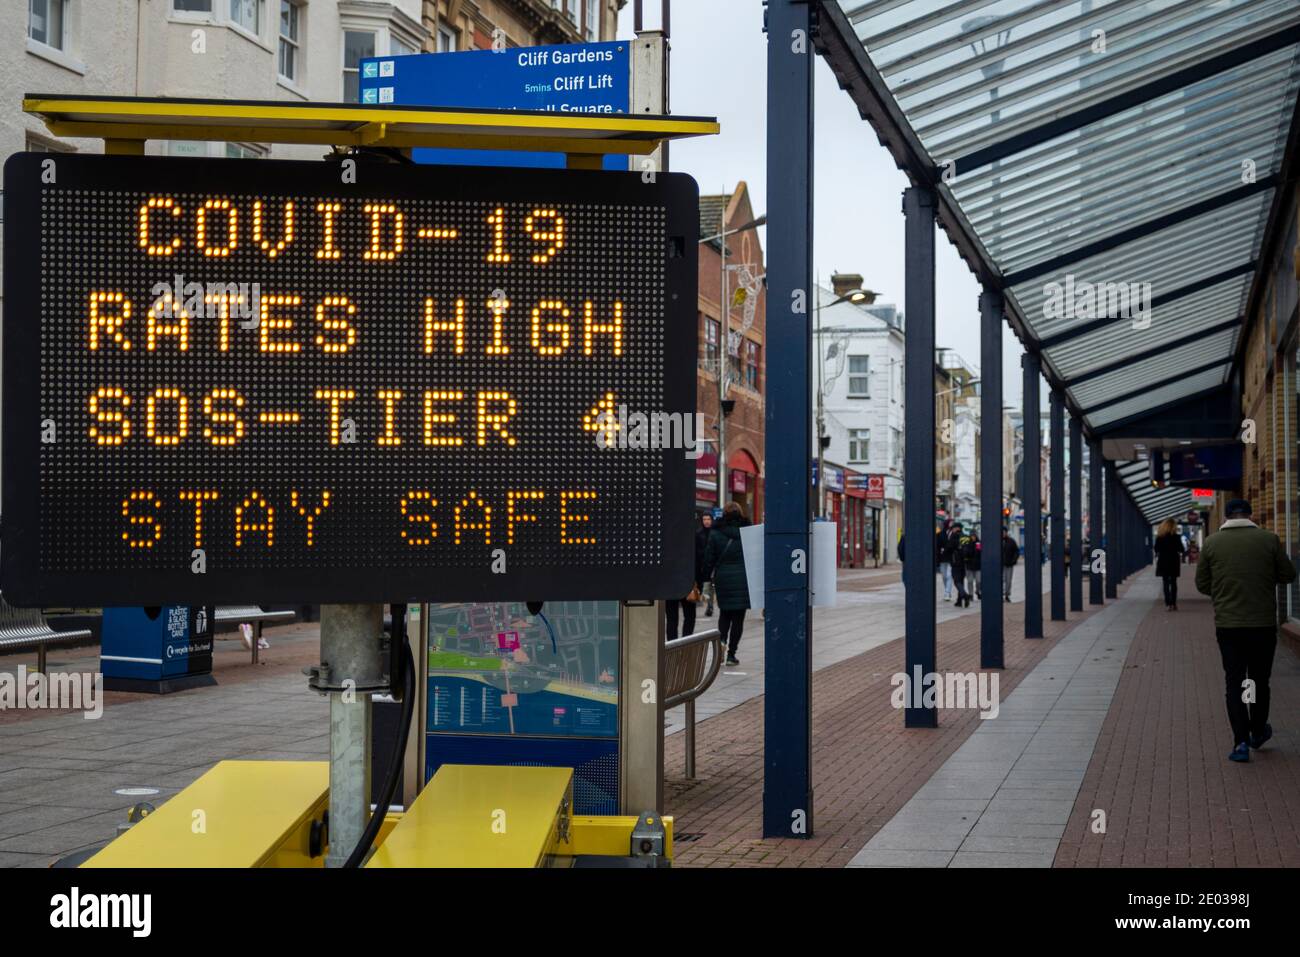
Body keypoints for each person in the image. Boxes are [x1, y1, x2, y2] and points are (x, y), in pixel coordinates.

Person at [1194, 498, 1296, 763]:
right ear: (1250, 515)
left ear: (1227, 517)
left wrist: (1223, 592)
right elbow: (1288, 575)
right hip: (1262, 625)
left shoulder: (1213, 543)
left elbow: (1202, 584)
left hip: (1229, 626)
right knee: (1259, 681)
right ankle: (1258, 731)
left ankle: (1240, 742)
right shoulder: (1269, 540)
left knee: (1235, 682)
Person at [703, 501, 751, 667]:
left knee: (725, 614)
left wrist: (705, 577)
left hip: (723, 577)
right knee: (738, 618)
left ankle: (721, 643)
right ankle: (732, 654)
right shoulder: (747, 533)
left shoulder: (715, 533)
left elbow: (709, 559)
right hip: (743, 578)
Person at [1153, 517, 1186, 611]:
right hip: (1173, 561)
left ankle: (1168, 603)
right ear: (1173, 527)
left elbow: (1156, 549)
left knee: (1165, 582)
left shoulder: (1160, 537)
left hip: (1163, 561)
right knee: (1174, 582)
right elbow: (1181, 549)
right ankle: (1174, 603)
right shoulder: (1176, 537)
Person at [697, 513, 716, 616]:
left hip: (713, 564)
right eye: (704, 519)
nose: (706, 521)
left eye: (708, 519)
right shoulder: (698, 533)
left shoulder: (715, 532)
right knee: (706, 586)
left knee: (710, 586)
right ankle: (708, 604)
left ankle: (710, 606)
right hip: (703, 565)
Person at [936, 519, 956, 601]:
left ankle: (947, 593)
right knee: (944, 576)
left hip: (952, 557)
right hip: (942, 558)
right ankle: (947, 590)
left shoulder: (955, 534)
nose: (952, 524)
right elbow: (937, 546)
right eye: (951, 523)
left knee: (949, 575)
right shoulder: (940, 534)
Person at [1001, 527, 1020, 602]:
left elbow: (1016, 551)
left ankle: (1007, 594)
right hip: (1001, 565)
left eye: (1004, 532)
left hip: (1009, 564)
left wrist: (1014, 560)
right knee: (1002, 580)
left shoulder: (1011, 541)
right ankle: (1001, 594)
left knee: (1008, 580)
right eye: (1002, 532)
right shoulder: (998, 541)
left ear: (1006, 532)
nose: (1003, 533)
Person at [964, 529, 982, 600]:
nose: (973, 537)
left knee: (978, 581)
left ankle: (978, 591)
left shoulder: (979, 543)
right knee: (970, 581)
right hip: (969, 565)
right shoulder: (967, 543)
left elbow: (981, 554)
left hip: (978, 566)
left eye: (974, 536)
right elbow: (965, 553)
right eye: (972, 536)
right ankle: (970, 594)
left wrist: (978, 549)